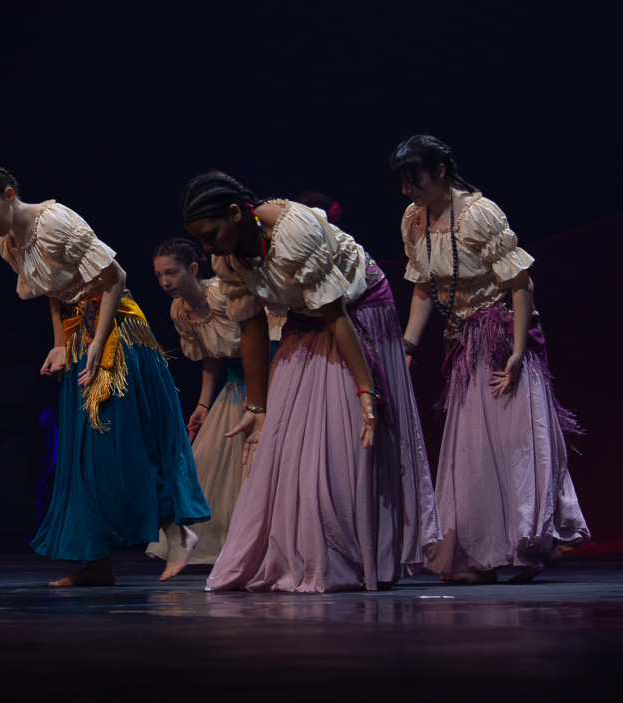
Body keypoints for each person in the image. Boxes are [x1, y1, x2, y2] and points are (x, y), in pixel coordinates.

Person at [182, 171, 439, 593]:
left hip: (357, 315)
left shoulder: (293, 232)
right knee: (285, 447)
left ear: (235, 213)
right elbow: (250, 327)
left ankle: (354, 556)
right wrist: (257, 408)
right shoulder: (229, 257)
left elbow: (335, 314)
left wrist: (366, 390)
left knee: (341, 443)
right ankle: (300, 554)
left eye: (211, 234)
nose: (208, 247)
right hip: (303, 321)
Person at [0, 164, 209, 586]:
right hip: (80, 340)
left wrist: (97, 342)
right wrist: (61, 344)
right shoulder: (11, 244)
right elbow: (54, 294)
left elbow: (116, 278)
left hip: (116, 334)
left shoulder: (55, 222)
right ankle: (97, 562)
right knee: (83, 454)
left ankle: (177, 533)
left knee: (130, 438)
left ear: (8, 194)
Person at [387, 134, 589, 584]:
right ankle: (477, 552)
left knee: (515, 445)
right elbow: (423, 286)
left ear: (440, 170)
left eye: (413, 179)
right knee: (472, 451)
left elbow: (521, 285)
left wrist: (518, 352)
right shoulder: (414, 220)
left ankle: (527, 545)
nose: (407, 190)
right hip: (463, 342)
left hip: (500, 337)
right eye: (401, 183)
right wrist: (408, 347)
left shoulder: (479, 214)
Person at [145, 238, 249, 577]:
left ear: (193, 269)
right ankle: (232, 546)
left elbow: (261, 335)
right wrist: (203, 403)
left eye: (172, 273)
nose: (165, 282)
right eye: (160, 275)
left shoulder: (221, 293)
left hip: (266, 376)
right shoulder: (180, 310)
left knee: (253, 463)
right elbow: (211, 354)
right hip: (234, 383)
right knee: (213, 463)